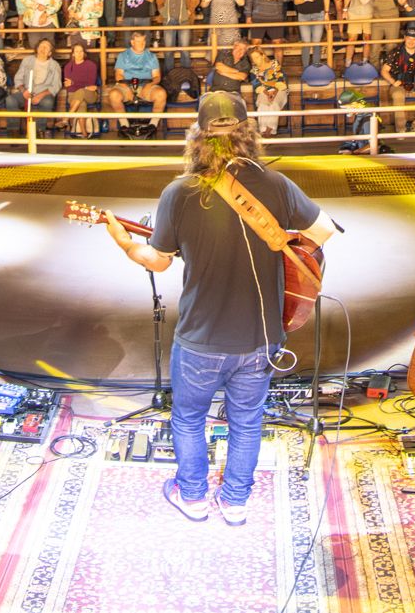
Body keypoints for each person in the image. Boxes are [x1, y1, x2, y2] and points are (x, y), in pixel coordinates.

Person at [104, 93, 337, 526]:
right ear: (249, 134)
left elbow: (158, 260)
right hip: (261, 338)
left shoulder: (178, 193)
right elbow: (322, 231)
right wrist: (280, 245)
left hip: (201, 340)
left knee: (189, 418)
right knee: (247, 422)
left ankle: (192, 497)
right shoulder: (276, 184)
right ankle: (235, 502)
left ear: (197, 137)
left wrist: (124, 242)